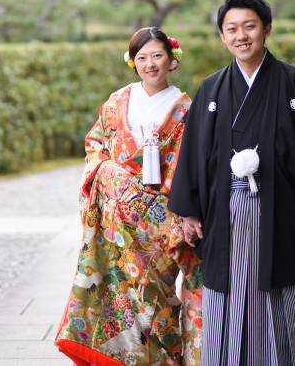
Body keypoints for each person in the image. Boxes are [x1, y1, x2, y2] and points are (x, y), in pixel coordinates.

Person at [167, 0, 295, 366]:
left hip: (279, 210)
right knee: (226, 292)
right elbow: (193, 155)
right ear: (222, 36)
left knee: (282, 290)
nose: (241, 35)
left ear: (266, 29)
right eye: (231, 28)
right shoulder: (212, 89)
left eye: (249, 26)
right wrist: (188, 211)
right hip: (224, 212)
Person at [55, 27, 204, 366]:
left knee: (157, 299)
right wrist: (112, 176)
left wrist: (159, 206)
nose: (150, 64)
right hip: (116, 220)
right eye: (142, 58)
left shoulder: (185, 109)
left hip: (160, 220)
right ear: (132, 62)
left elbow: (190, 166)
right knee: (115, 292)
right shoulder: (118, 100)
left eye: (157, 56)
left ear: (172, 59)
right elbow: (96, 144)